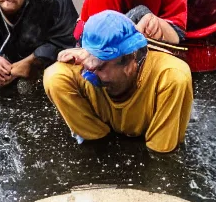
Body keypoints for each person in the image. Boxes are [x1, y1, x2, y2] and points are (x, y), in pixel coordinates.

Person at [44, 10, 193, 153]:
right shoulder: (88, 65)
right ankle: (96, 139)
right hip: (103, 137)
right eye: (88, 63)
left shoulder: (169, 77)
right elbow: (88, 65)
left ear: (130, 61)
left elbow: (162, 163)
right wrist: (89, 57)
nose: (90, 75)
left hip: (151, 142)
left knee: (177, 79)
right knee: (55, 75)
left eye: (100, 68)